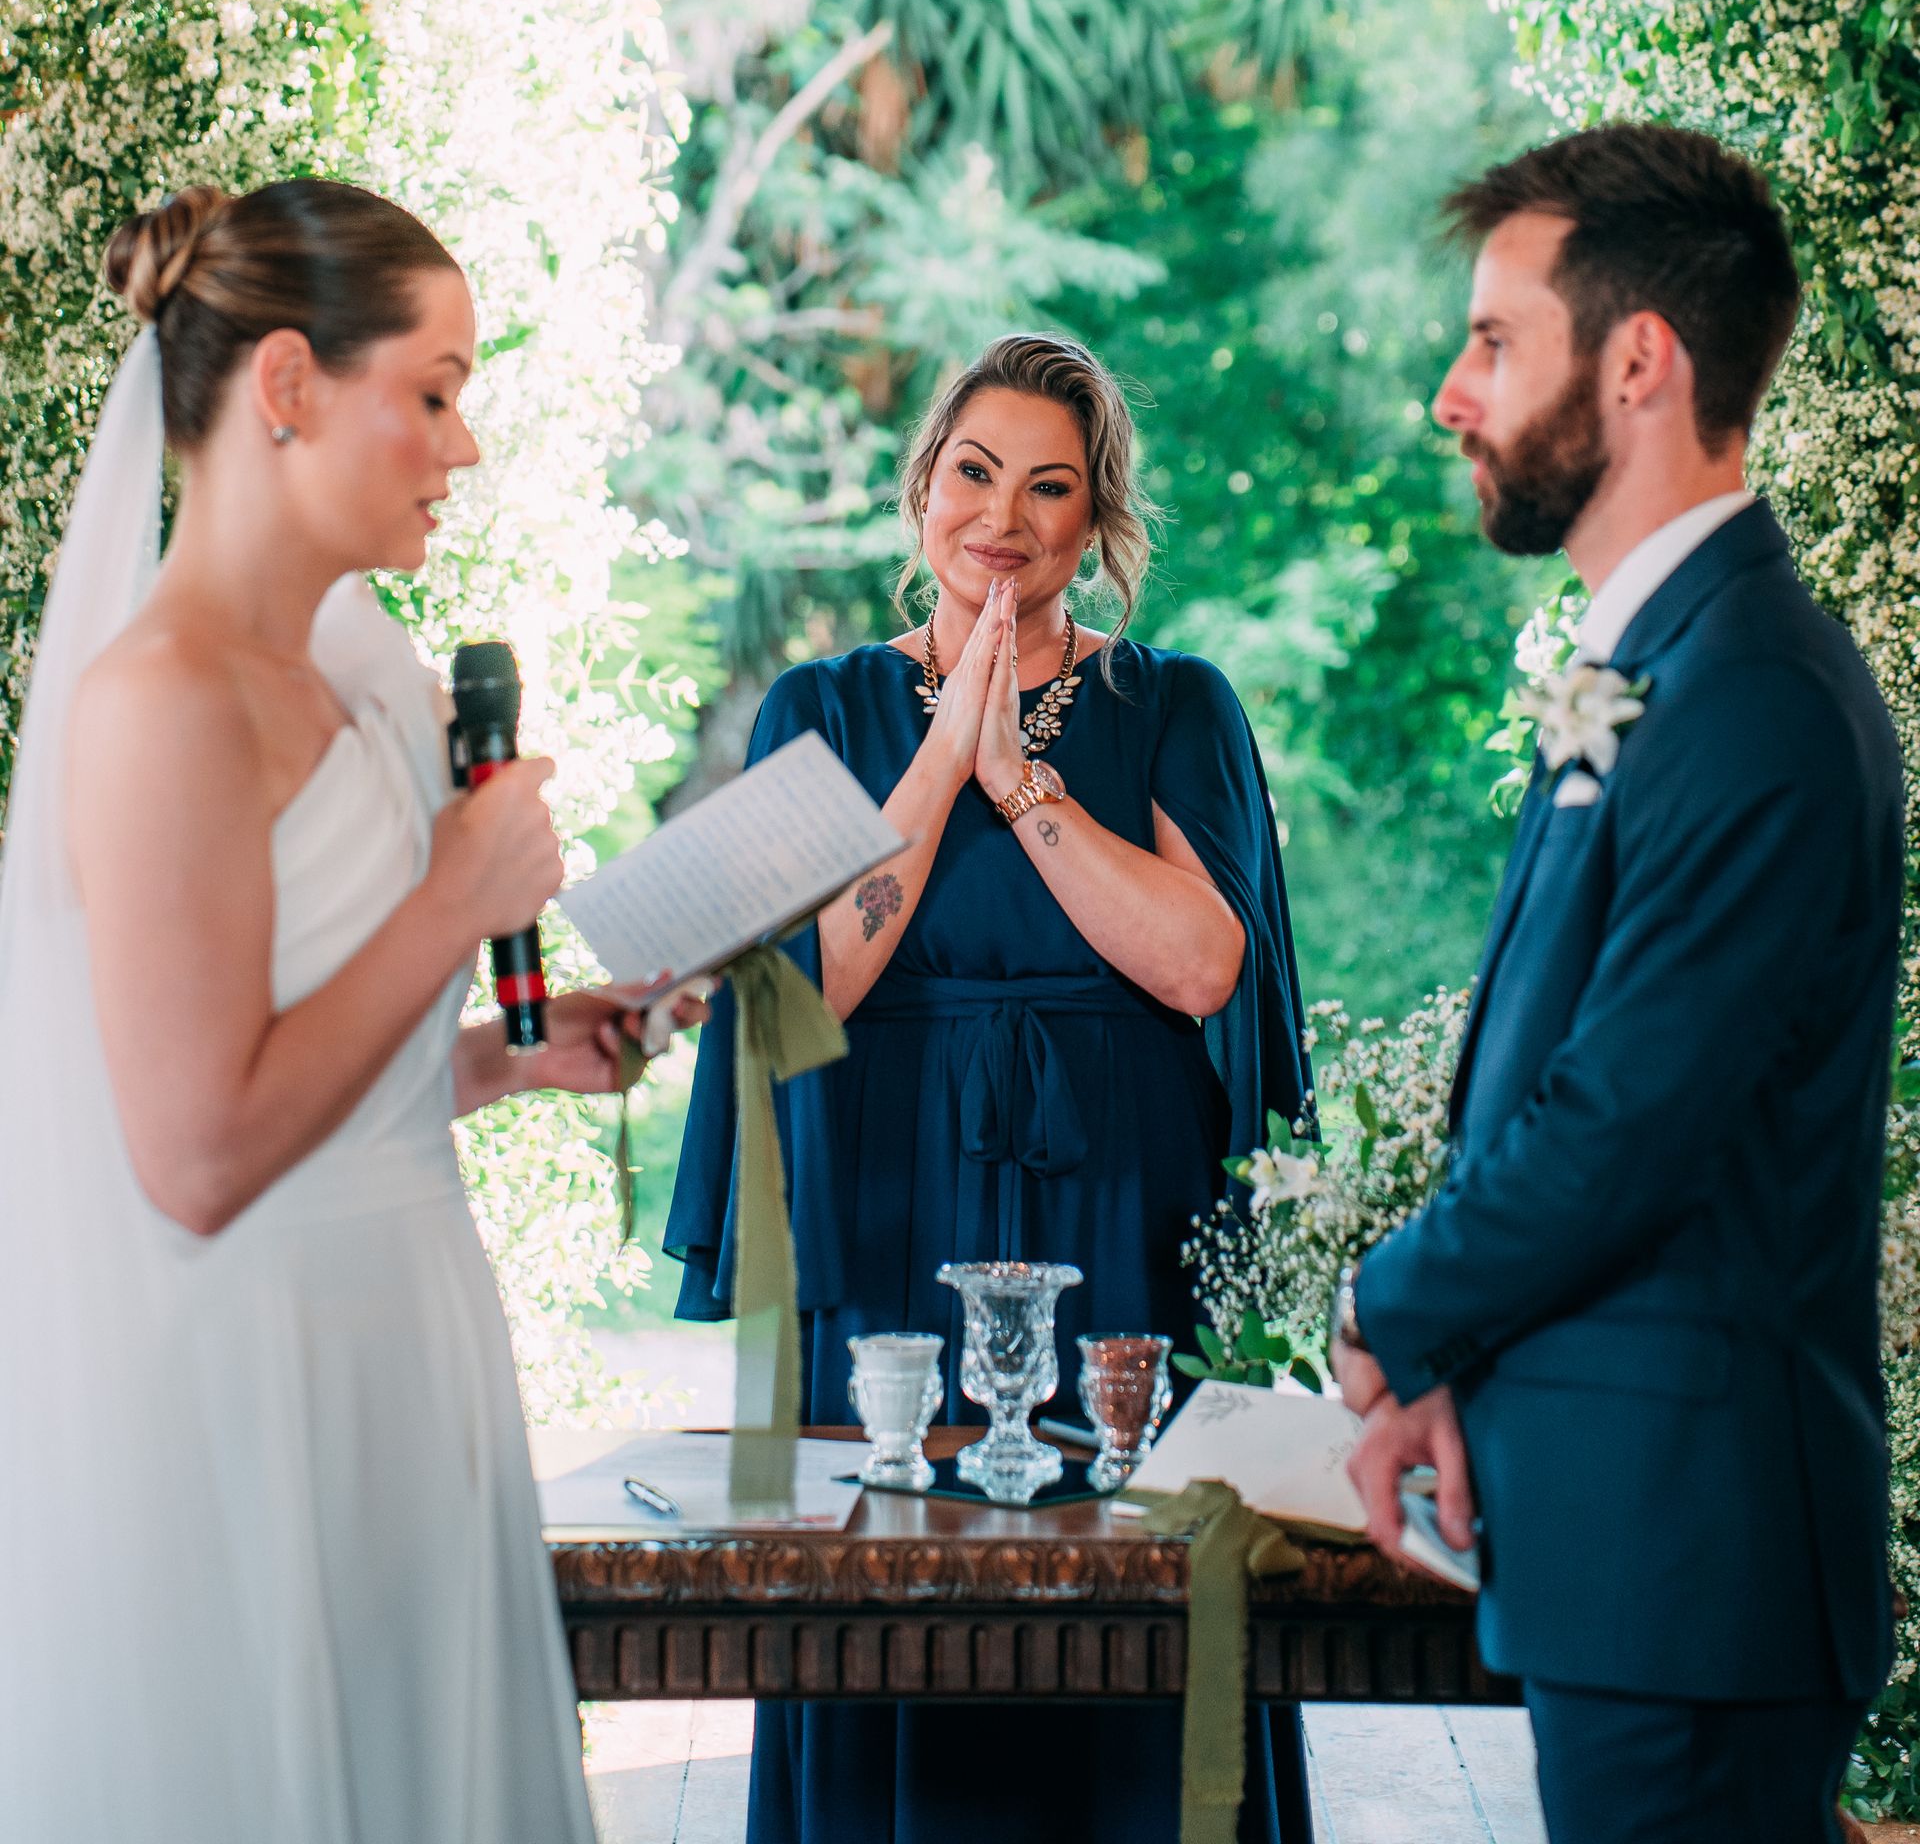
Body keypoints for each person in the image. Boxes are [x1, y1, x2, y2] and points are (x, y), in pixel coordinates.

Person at [0, 179, 698, 1844]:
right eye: (435, 394)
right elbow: (197, 1154)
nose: (465, 448)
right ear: (291, 385)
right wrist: (456, 896)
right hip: (254, 1376)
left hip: (408, 1336)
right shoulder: (159, 701)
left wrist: (500, 1059)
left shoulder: (357, 671)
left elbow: (304, 1055)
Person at [1331, 125, 1902, 1844]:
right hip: (1634, 1552)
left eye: (1495, 342)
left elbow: (1623, 1126)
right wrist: (1453, 1367)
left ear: (1638, 360)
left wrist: (1386, 1310)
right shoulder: (1668, 660)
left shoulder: (1754, 693)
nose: (1453, 395)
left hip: (1699, 1559)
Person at [667, 330, 1315, 1844]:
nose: (1002, 518)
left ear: (1097, 522)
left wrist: (1022, 779)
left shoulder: (1181, 703)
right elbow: (790, 998)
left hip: (1123, 1218)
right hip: (883, 1215)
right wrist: (940, 761)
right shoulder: (811, 709)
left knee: (1130, 1622)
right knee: (888, 1605)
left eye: (1049, 487)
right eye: (974, 472)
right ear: (920, 490)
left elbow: (1201, 967)